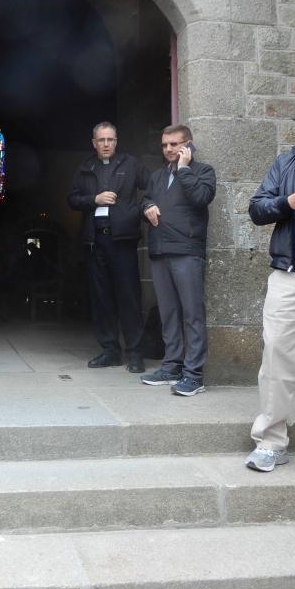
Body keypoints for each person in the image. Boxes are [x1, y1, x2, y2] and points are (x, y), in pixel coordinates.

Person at [68, 122, 150, 373]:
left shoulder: (131, 164)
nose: (106, 144)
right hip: (95, 240)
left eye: (110, 140)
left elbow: (153, 187)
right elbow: (72, 199)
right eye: (101, 140)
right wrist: (94, 199)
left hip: (122, 240)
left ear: (116, 141)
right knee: (101, 299)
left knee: (129, 298)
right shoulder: (86, 167)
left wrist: (140, 209)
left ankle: (135, 354)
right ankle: (110, 351)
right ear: (94, 143)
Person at [140, 124, 216, 396]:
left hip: (187, 251)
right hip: (160, 250)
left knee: (193, 315)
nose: (169, 149)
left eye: (175, 144)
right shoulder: (158, 176)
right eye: (165, 145)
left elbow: (200, 198)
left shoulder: (203, 172)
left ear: (188, 145)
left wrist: (184, 169)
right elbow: (146, 199)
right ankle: (172, 366)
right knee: (168, 313)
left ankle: (194, 375)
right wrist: (146, 206)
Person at [245, 146, 295, 471]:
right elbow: (256, 209)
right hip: (288, 274)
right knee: (276, 355)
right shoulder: (285, 162)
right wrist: (287, 203)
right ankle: (273, 441)